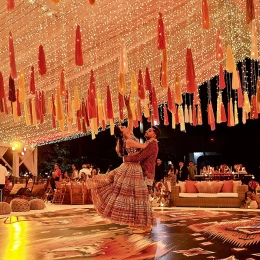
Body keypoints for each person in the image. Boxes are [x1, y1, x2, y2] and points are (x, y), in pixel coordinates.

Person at [86, 95, 155, 234]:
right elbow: (142, 146)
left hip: (133, 167)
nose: (125, 127)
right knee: (135, 196)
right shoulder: (128, 141)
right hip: (132, 169)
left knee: (135, 196)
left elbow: (130, 118)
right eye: (122, 127)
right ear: (122, 132)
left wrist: (128, 104)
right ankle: (141, 224)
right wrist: (153, 141)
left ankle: (135, 222)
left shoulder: (129, 135)